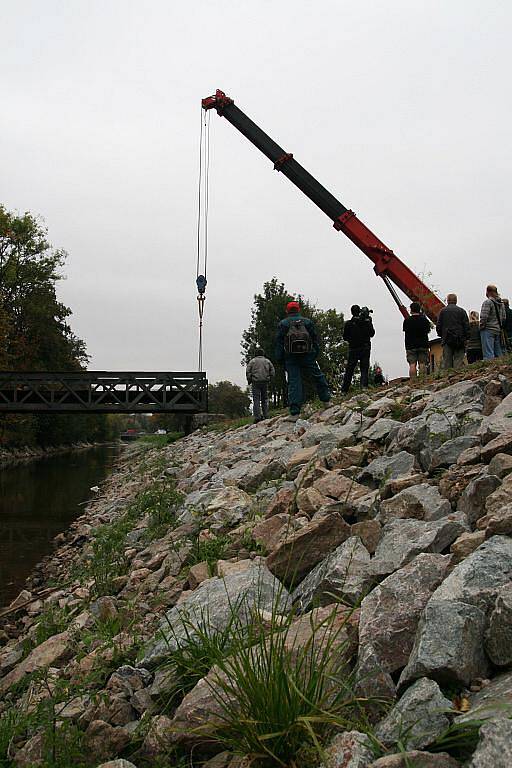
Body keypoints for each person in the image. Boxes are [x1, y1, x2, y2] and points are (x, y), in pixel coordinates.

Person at [276, 301, 331, 420]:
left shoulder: (283, 324)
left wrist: (280, 358)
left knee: (294, 382)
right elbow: (315, 338)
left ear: (287, 311)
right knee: (317, 375)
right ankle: (326, 401)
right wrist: (315, 353)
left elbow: (279, 342)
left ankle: (295, 413)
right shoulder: (307, 322)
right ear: (298, 310)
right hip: (308, 354)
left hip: (291, 357)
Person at [342, 305, 375, 392]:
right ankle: (364, 387)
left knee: (349, 370)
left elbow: (345, 337)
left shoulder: (348, 324)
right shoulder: (365, 322)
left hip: (353, 349)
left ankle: (344, 390)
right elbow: (372, 333)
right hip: (365, 348)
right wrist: (368, 322)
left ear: (351, 312)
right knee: (364, 368)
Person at [436, 293, 469, 370]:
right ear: (456, 301)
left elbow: (439, 326)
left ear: (447, 301)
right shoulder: (462, 311)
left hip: (447, 339)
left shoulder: (442, 311)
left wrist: (441, 335)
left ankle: (448, 378)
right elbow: (466, 326)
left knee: (447, 362)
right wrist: (467, 338)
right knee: (458, 360)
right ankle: (457, 376)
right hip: (459, 339)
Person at [402, 301, 431, 379]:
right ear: (419, 310)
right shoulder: (424, 320)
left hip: (410, 345)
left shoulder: (407, 321)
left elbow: (405, 331)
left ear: (411, 310)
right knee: (422, 363)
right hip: (423, 344)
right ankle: (422, 379)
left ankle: (413, 380)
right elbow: (428, 330)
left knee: (412, 364)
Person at [246, 348, 275, 423]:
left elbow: (248, 371)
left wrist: (249, 380)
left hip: (255, 382)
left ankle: (257, 417)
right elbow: (272, 371)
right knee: (264, 399)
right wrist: (270, 378)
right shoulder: (267, 361)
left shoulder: (252, 361)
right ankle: (266, 415)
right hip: (265, 381)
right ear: (263, 354)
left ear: (256, 354)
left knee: (256, 399)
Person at [480, 284, 506, 359]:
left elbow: (484, 317)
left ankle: (489, 368)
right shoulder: (501, 304)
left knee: (488, 353)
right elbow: (504, 318)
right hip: (497, 330)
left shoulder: (487, 302)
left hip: (488, 329)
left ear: (488, 292)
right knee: (498, 352)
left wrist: (482, 327)